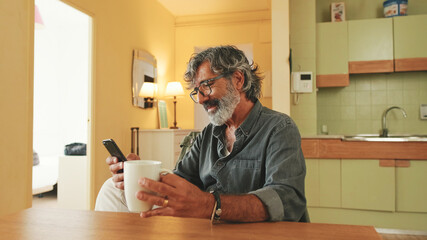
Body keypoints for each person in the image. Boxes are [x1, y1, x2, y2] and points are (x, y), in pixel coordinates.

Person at [95, 45, 309, 223]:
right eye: (196, 91)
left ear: (238, 79)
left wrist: (211, 205)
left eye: (206, 85)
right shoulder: (208, 134)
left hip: (257, 233)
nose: (200, 99)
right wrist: (139, 175)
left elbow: (286, 200)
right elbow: (180, 180)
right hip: (209, 230)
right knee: (112, 189)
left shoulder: (279, 128)